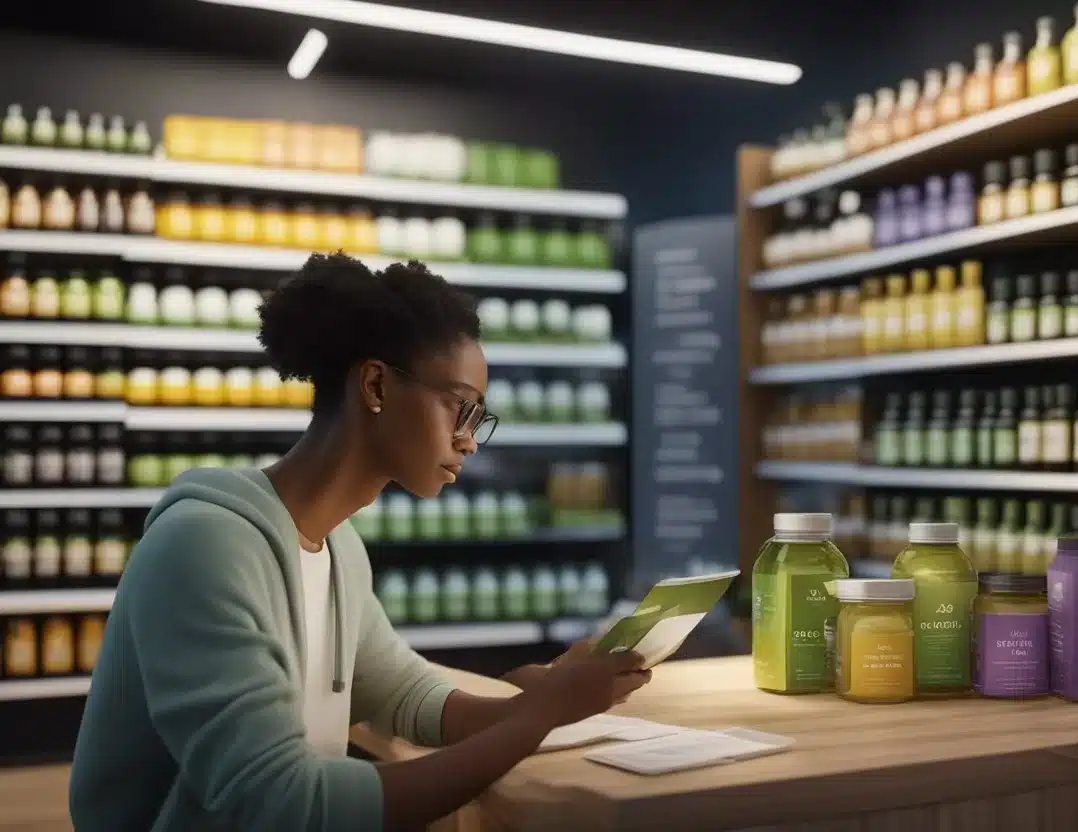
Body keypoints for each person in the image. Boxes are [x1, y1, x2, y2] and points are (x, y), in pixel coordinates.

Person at [69, 254, 651, 831]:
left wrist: (537, 703)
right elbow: (284, 805)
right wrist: (540, 715)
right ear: (375, 385)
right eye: (460, 407)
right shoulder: (204, 549)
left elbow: (400, 691)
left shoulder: (338, 547)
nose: (469, 441)